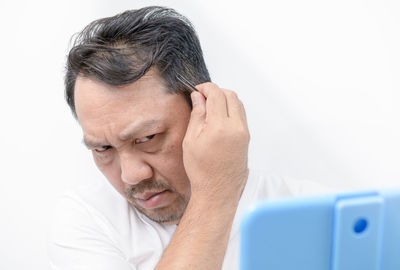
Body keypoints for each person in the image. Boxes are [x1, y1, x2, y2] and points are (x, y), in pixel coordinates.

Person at [48, 6, 326, 270]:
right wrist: (215, 192)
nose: (131, 175)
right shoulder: (88, 219)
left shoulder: (318, 213)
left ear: (205, 110)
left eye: (147, 137)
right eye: (103, 148)